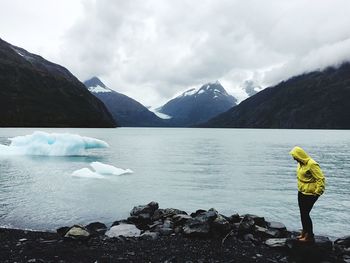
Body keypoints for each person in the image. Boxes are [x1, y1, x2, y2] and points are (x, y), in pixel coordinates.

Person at [289, 146, 325, 242]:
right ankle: (304, 232)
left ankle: (310, 235)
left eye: (295, 156)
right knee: (302, 213)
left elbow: (320, 179)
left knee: (305, 214)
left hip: (311, 194)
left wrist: (318, 192)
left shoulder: (312, 164)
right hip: (301, 192)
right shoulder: (300, 164)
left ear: (299, 155)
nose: (294, 158)